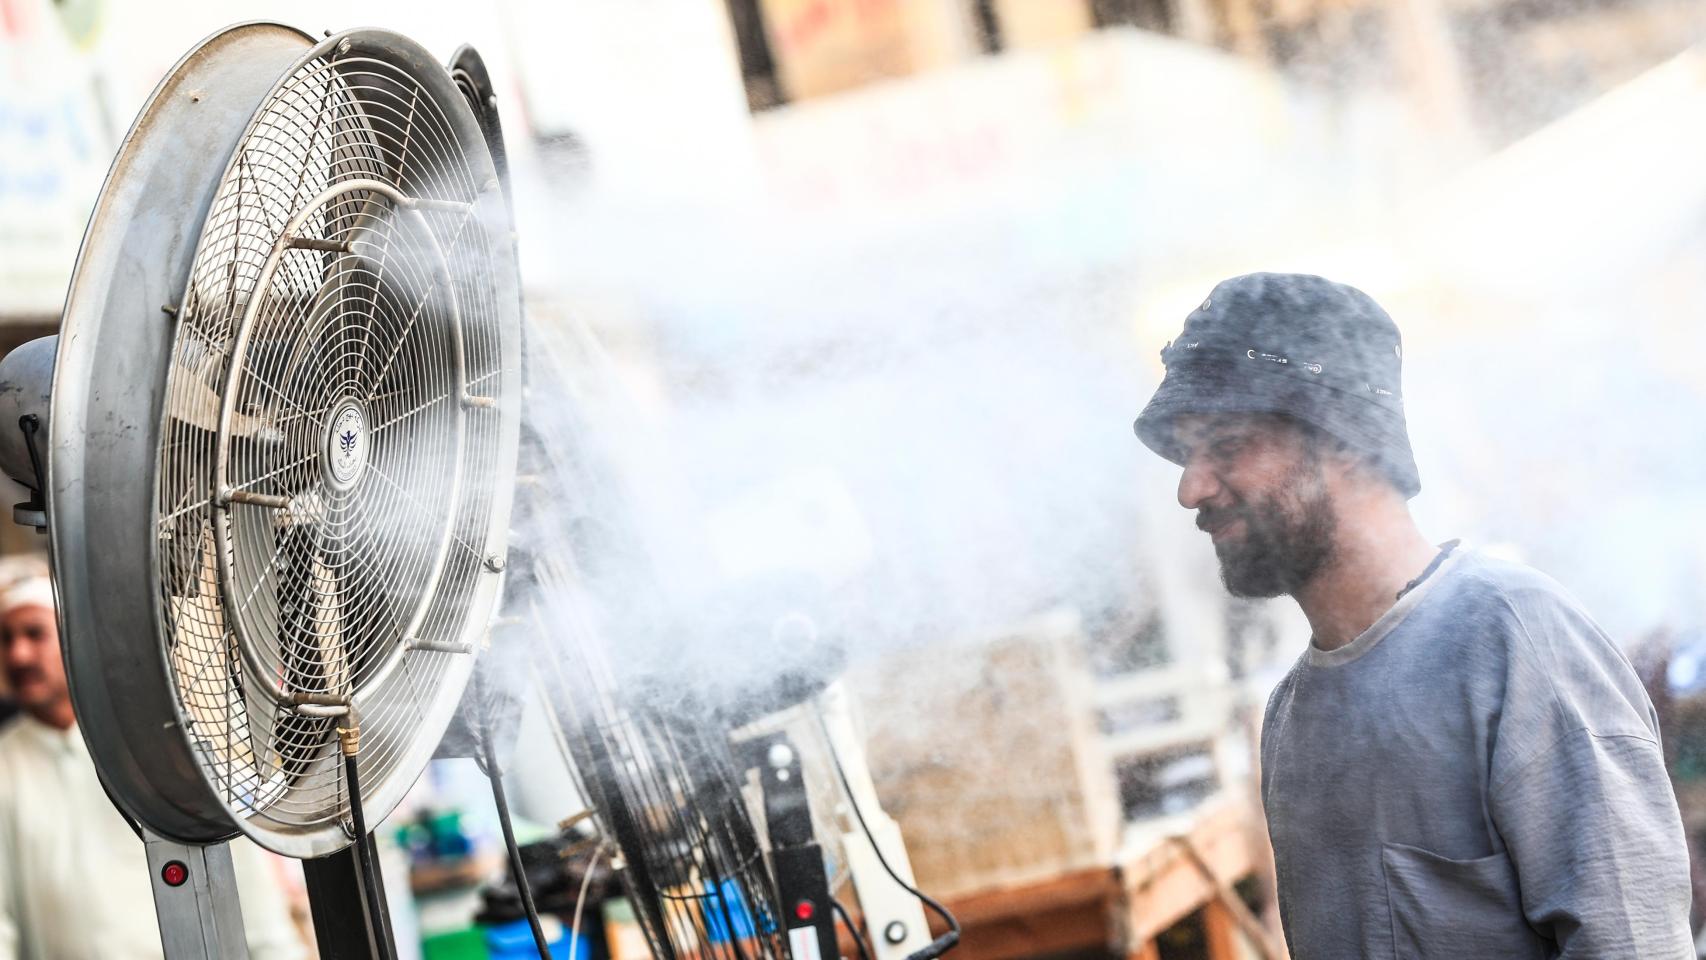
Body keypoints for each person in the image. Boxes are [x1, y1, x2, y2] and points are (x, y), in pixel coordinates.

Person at [1132, 273, 1692, 958]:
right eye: (1187, 454)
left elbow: (1632, 943)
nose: (1191, 488)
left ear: (1339, 438)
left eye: (1224, 444)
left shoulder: (1514, 638)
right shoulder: (1290, 717)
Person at [0, 575, 308, 960]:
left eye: (34, 634)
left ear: (74, 644)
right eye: (6, 639)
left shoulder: (156, 751)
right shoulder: (6, 766)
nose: (19, 655)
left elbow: (250, 894)